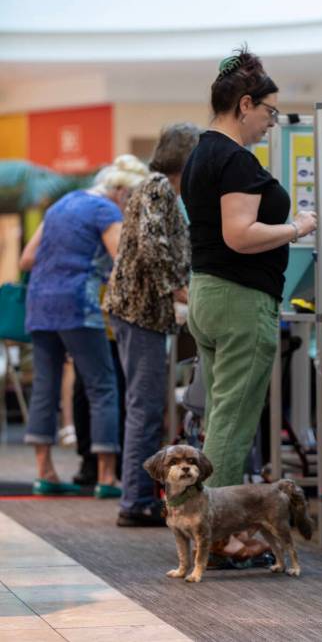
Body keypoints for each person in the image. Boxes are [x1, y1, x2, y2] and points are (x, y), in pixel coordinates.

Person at [181, 47, 317, 560]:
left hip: (209, 295)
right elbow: (240, 235)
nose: (270, 122)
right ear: (244, 104)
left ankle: (203, 529)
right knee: (232, 427)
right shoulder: (235, 158)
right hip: (239, 301)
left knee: (219, 418)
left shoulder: (200, 153)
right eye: (269, 112)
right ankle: (218, 536)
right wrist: (297, 227)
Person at [20, 154, 148, 497]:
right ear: (121, 191)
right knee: (103, 386)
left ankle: (44, 472)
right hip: (80, 304)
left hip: (40, 303)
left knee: (45, 387)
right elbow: (122, 261)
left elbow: (27, 259)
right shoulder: (106, 211)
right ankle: (107, 477)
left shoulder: (63, 203)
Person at [104, 123, 199, 527]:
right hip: (139, 310)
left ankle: (138, 496)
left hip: (137, 310)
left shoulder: (155, 187)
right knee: (144, 407)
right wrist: (179, 289)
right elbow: (152, 245)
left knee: (143, 405)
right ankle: (136, 500)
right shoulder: (158, 187)